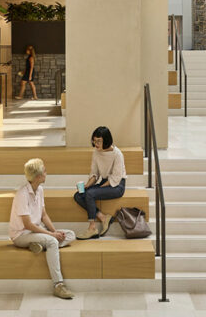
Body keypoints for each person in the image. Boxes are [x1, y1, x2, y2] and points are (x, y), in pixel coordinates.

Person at [10, 158, 75, 299]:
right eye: (44, 171)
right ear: (38, 176)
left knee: (70, 235)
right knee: (52, 242)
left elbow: (44, 215)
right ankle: (58, 285)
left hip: (35, 231)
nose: (47, 173)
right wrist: (51, 236)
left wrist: (55, 231)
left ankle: (38, 244)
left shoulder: (40, 190)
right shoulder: (22, 194)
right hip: (21, 235)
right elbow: (27, 225)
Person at [74, 126, 126, 239]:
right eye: (94, 140)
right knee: (78, 195)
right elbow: (95, 173)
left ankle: (92, 228)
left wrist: (98, 188)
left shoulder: (117, 154)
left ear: (106, 141)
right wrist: (88, 185)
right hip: (104, 181)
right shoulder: (96, 152)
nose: (96, 144)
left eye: (99, 141)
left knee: (90, 194)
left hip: (117, 185)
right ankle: (103, 217)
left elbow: (116, 178)